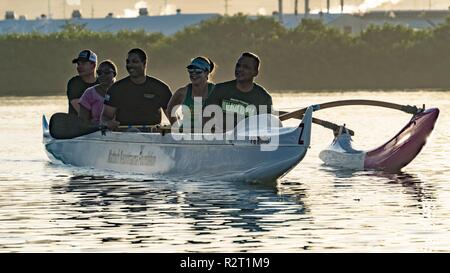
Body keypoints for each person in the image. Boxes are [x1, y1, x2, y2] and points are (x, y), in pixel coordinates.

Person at [102, 48, 172, 130]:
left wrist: (166, 128)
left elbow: (174, 119)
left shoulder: (161, 88)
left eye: (135, 62)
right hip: (124, 136)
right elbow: (105, 117)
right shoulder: (115, 89)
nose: (130, 65)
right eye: (128, 62)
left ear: (144, 63)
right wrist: (108, 123)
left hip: (152, 136)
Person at [204, 52, 273, 132]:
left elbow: (266, 127)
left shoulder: (264, 98)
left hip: (247, 140)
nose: (240, 69)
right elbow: (205, 116)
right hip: (220, 139)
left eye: (246, 67)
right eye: (238, 65)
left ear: (255, 73)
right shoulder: (220, 89)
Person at [165, 56, 215, 130]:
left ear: (206, 73)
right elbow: (169, 110)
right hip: (185, 135)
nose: (194, 75)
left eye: (198, 72)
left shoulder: (216, 91)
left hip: (209, 136)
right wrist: (175, 127)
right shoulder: (182, 92)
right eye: (191, 71)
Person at [78, 60, 118, 125]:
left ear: (114, 74)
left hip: (119, 131)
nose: (103, 75)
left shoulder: (123, 91)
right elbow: (82, 121)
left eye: (107, 72)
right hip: (95, 132)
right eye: (99, 73)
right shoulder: (89, 93)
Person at [67, 49, 98, 115]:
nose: (79, 67)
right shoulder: (74, 83)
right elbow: (81, 111)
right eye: (78, 64)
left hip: (99, 122)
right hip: (77, 123)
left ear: (93, 65)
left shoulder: (102, 82)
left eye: (83, 63)